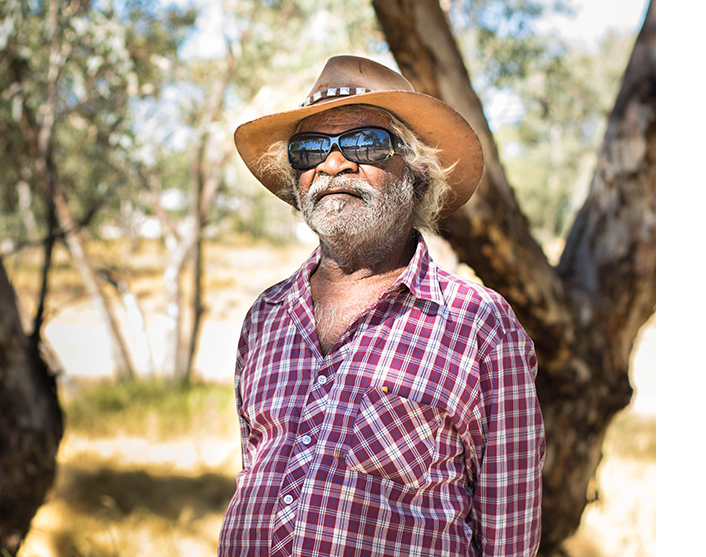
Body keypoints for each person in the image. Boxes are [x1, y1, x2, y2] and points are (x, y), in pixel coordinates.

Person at [217, 55, 545, 557]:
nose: (333, 164)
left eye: (364, 143)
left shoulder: (480, 325)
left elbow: (511, 539)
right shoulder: (266, 316)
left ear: (415, 175)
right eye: (309, 150)